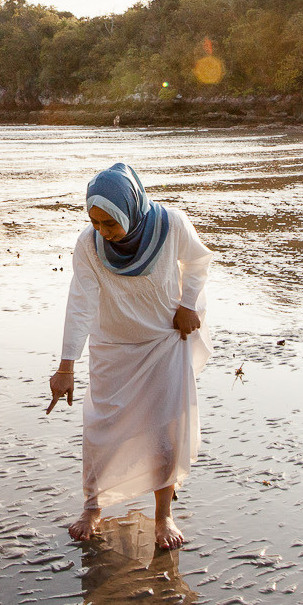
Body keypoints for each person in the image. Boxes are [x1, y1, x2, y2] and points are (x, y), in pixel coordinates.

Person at [46, 163, 213, 551]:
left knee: (164, 429)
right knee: (100, 427)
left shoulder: (171, 224)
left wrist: (188, 305)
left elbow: (199, 262)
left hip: (164, 343)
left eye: (109, 223)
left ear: (130, 208)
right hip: (113, 347)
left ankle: (162, 515)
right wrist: (66, 364)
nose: (102, 231)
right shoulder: (89, 244)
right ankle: (93, 505)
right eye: (95, 221)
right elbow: (81, 303)